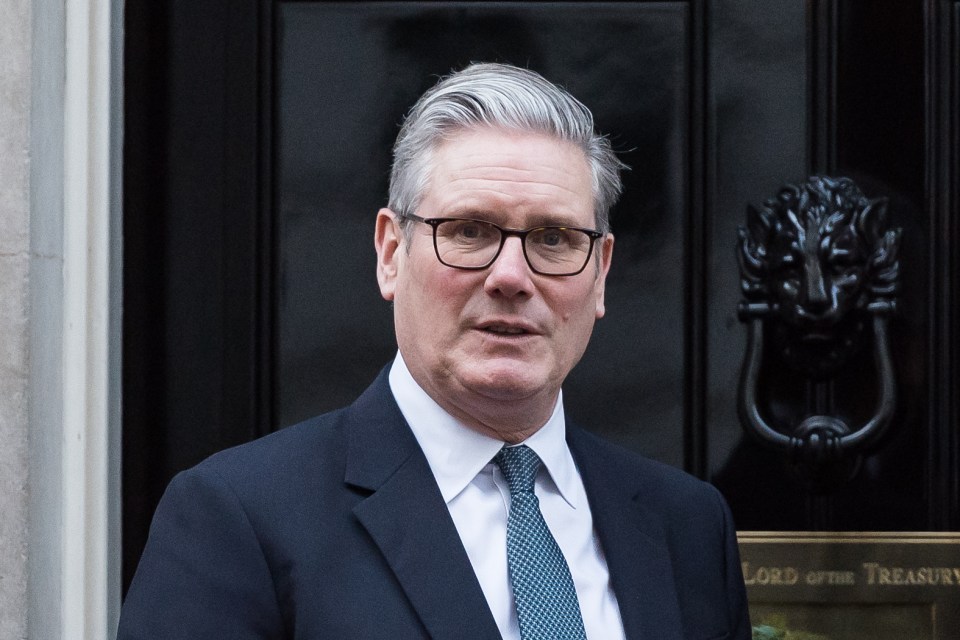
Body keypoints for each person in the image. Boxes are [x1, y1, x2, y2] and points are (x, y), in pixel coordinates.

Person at [118, 62, 751, 640]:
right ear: (391, 253)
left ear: (601, 272)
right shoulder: (237, 519)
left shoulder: (688, 526)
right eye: (470, 231)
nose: (511, 276)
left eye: (554, 238)